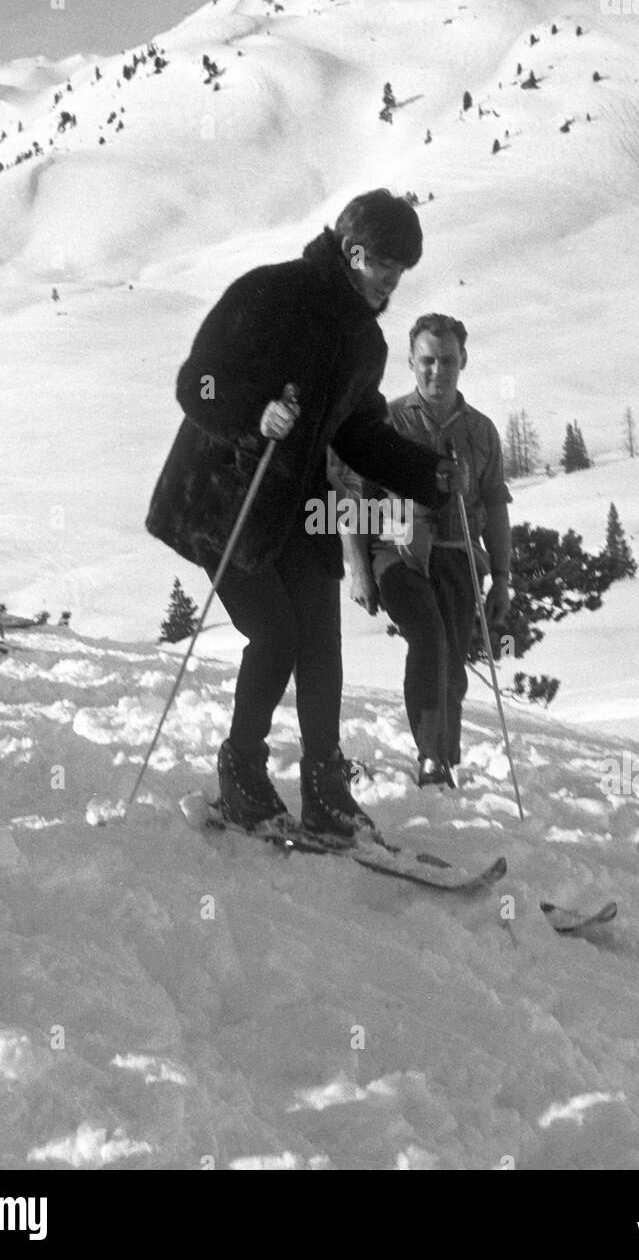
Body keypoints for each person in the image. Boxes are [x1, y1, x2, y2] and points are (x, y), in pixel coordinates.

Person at [145, 190, 462, 836]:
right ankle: (241, 771)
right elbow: (197, 381)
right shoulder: (270, 294)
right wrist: (253, 414)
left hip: (297, 503)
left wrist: (425, 474)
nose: (392, 282)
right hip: (222, 498)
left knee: (321, 637)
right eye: (385, 267)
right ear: (352, 252)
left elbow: (361, 433)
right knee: (276, 633)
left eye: (402, 271)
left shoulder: (364, 342)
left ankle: (324, 783)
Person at [338, 313, 511, 787]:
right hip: (396, 552)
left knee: (452, 663)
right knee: (430, 638)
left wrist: (503, 578)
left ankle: (446, 757)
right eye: (428, 361)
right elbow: (354, 499)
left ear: (464, 360)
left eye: (448, 360)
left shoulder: (481, 431)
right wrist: (358, 569)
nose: (439, 371)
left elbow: (495, 505)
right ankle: (431, 758)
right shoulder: (387, 421)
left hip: (457, 555)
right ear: (411, 362)